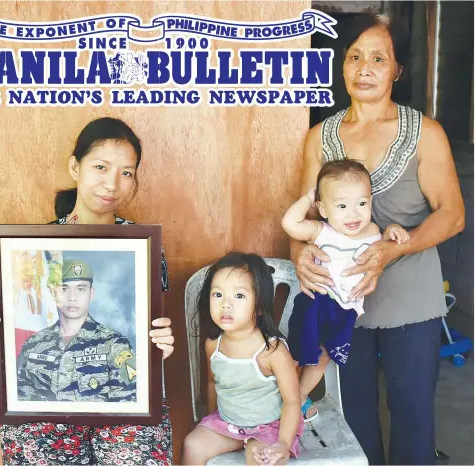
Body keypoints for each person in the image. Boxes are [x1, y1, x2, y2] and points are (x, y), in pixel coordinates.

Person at [289, 14, 465, 465]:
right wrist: (300, 255)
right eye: (354, 57)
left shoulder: (426, 132)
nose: (365, 68)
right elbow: (307, 217)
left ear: (397, 70)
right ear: (342, 66)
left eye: (378, 58)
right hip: (343, 303)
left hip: (410, 302)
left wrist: (393, 249)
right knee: (353, 417)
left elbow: (453, 215)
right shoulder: (319, 138)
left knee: (412, 417)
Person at [0, 117, 175, 465]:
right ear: (75, 167)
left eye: (126, 172)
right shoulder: (31, 251)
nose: (113, 183)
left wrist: (158, 345)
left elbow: (146, 333)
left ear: (92, 294)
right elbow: (19, 364)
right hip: (45, 410)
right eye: (101, 167)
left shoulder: (144, 249)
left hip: (123, 406)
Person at [282, 159, 408, 423]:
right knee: (298, 353)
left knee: (324, 356)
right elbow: (290, 224)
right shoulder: (321, 232)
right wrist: (307, 199)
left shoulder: (373, 231)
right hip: (317, 302)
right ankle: (283, 397)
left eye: (362, 204)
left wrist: (394, 231)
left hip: (345, 310)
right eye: (341, 206)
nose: (353, 215)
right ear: (324, 209)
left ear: (371, 201)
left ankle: (300, 398)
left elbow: (386, 244)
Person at [182, 252, 303, 466]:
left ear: (259, 306)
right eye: (217, 295)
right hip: (227, 423)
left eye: (239, 296)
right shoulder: (214, 345)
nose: (225, 304)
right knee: (193, 445)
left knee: (262, 459)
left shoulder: (272, 351)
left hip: (268, 427)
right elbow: (213, 383)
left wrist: (283, 443)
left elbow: (292, 401)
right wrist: (209, 421)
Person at [17, 258, 138, 402]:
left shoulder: (115, 345)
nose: (72, 297)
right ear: (53, 293)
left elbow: (128, 404)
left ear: (91, 294)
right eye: (64, 288)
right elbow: (20, 401)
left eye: (81, 289)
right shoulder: (33, 344)